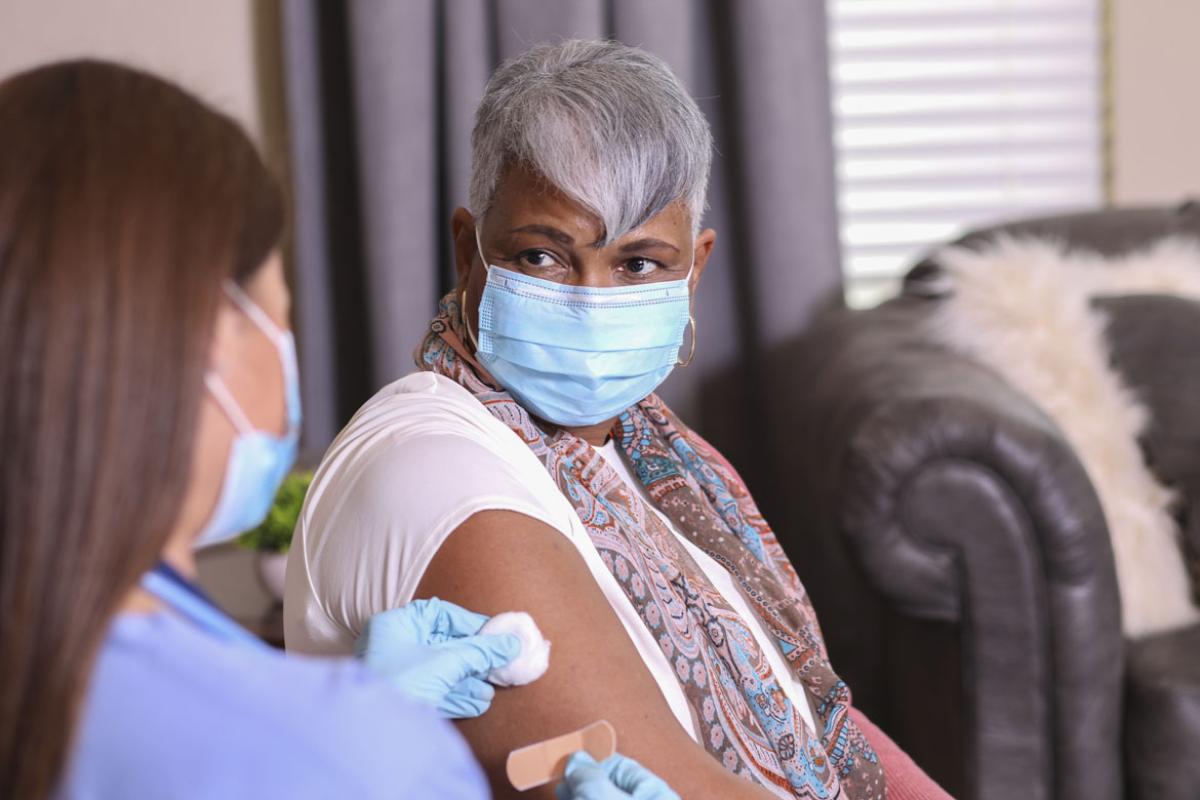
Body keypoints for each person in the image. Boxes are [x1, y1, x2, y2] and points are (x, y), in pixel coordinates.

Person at [287, 39, 952, 800]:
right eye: (544, 256)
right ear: (468, 253)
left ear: (693, 269)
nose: (590, 297)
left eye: (637, 263)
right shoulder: (433, 468)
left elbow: (812, 709)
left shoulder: (663, 460)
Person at [0, 60, 674, 800]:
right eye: (278, 310)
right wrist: (353, 745)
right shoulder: (342, 753)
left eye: (638, 263)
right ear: (208, 343)